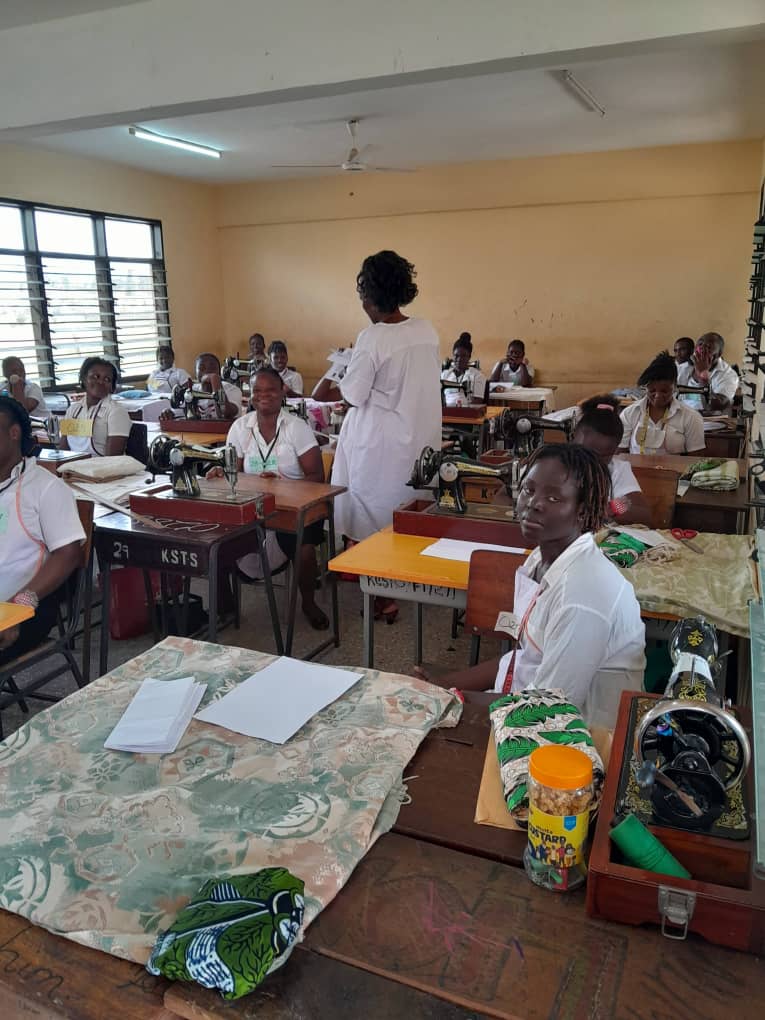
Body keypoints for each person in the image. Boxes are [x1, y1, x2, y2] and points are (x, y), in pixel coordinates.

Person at [415, 445, 645, 726]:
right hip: (534, 704)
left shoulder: (581, 596)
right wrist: (444, 685)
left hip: (584, 732)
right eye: (528, 490)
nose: (533, 503)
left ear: (582, 511)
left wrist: (449, 699)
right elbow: (528, 657)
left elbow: (549, 709)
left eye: (553, 497)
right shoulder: (541, 558)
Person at [313, 250, 441, 622]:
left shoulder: (372, 337)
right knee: (405, 507)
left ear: (369, 297)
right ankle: (403, 579)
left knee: (370, 511)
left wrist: (346, 369)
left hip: (378, 442)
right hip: (415, 437)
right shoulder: (426, 330)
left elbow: (354, 394)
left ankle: (382, 592)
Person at [213, 366, 329, 630]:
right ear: (250, 394)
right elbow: (234, 473)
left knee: (304, 549)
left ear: (282, 392)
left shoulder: (296, 428)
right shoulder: (240, 427)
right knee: (215, 538)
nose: (264, 395)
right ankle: (225, 605)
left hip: (295, 508)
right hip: (253, 507)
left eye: (271, 390)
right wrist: (220, 473)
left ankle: (308, 602)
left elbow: (317, 476)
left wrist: (281, 486)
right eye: (257, 390)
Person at [0, 397, 85, 664]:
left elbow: (68, 555)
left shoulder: (45, 488)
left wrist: (19, 606)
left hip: (23, 607)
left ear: (14, 433)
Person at [574, 395, 651, 525]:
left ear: (614, 451)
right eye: (586, 453)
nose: (592, 461)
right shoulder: (553, 466)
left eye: (603, 457)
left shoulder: (617, 470)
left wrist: (608, 509)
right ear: (574, 437)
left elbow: (642, 512)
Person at [620, 351, 705, 456]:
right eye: (652, 390)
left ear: (675, 387)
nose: (658, 396)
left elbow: (695, 458)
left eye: (664, 391)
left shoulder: (691, 417)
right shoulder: (629, 413)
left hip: (675, 467)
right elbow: (621, 455)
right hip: (635, 467)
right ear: (646, 388)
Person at [59, 357, 131, 456]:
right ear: (84, 379)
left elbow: (113, 459)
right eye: (95, 376)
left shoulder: (116, 411)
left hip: (105, 465)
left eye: (107, 379)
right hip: (74, 463)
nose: (101, 382)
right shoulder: (72, 410)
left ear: (112, 387)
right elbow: (63, 451)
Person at [159, 353, 241, 421]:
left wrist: (214, 379)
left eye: (212, 368)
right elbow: (176, 412)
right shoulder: (190, 391)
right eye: (202, 368)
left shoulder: (232, 390)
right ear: (196, 374)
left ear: (219, 372)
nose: (207, 371)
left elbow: (224, 413)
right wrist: (168, 413)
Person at [677, 332, 739, 413]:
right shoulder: (684, 367)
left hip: (706, 419)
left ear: (719, 354)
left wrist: (703, 376)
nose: (702, 349)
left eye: (709, 347)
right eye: (700, 344)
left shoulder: (728, 375)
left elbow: (712, 406)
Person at [440, 334, 487, 406]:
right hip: (446, 411)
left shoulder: (477, 376)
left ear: (469, 357)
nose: (459, 359)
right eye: (456, 356)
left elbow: (477, 401)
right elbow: (439, 397)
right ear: (453, 355)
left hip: (467, 411)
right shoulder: (445, 374)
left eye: (464, 356)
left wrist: (462, 410)